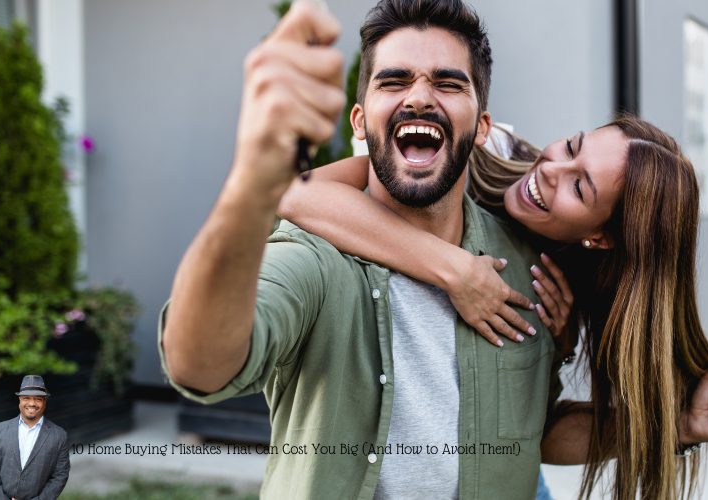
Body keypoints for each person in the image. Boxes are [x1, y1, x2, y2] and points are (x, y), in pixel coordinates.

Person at [161, 1, 558, 498]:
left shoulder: (527, 266)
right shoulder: (314, 258)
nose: (419, 98)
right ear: (359, 120)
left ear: (481, 126)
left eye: (448, 83)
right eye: (393, 82)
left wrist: (681, 426)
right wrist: (250, 180)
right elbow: (198, 366)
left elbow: (540, 429)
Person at [277, 106, 708, 499]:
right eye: (572, 146)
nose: (550, 169)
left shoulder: (576, 288)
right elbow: (297, 195)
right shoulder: (484, 147)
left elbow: (534, 434)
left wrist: (678, 425)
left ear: (600, 238)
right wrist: (457, 271)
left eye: (579, 186)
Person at [0, 375, 71, 500]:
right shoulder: (0, 429)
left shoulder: (59, 435)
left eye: (38, 399)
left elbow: (60, 476)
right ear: (19, 400)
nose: (32, 403)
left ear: (45, 401)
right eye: (26, 398)